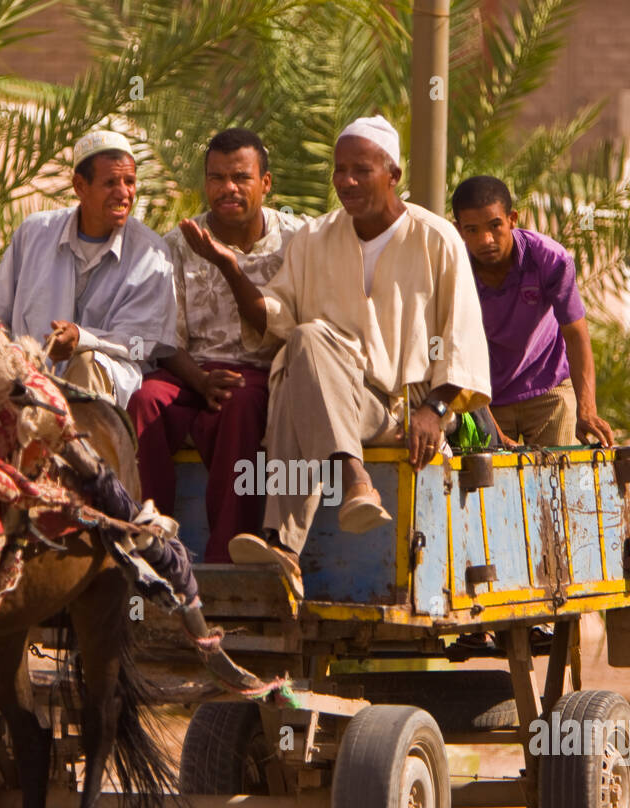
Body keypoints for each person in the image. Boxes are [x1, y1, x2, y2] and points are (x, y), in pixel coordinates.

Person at [180, 115, 491, 598]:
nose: (346, 181)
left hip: (399, 410)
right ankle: (338, 494)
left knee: (301, 360)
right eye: (339, 170)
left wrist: (434, 410)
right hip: (331, 397)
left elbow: (463, 339)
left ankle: (286, 535)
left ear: (394, 175)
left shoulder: (437, 239)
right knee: (303, 345)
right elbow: (274, 318)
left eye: (360, 170)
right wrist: (230, 269)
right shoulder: (316, 237)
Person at [128, 129, 304, 562]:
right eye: (217, 177)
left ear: (265, 182)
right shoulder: (177, 243)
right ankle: (149, 543)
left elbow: (295, 328)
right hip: (190, 372)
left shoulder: (298, 241)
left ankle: (228, 556)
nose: (228, 188)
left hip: (263, 374)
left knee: (240, 405)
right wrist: (201, 381)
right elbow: (165, 339)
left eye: (241, 177)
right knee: (143, 399)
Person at [0, 129, 176, 409]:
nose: (124, 193)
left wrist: (81, 339)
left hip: (105, 384)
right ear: (80, 186)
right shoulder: (34, 233)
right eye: (110, 183)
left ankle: (79, 449)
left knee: (86, 363)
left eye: (130, 182)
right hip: (26, 376)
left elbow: (139, 341)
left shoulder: (152, 254)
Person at [451, 175, 613, 447]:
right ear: (458, 230)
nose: (486, 239)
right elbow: (457, 353)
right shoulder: (453, 271)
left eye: (495, 226)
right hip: (487, 397)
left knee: (559, 480)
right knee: (492, 484)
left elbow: (576, 334)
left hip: (549, 389)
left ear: (512, 219)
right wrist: (494, 431)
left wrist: (587, 409)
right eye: (472, 230)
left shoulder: (549, 259)